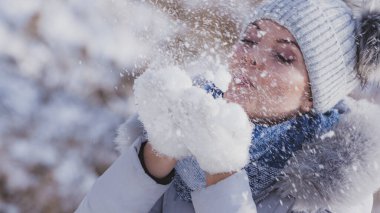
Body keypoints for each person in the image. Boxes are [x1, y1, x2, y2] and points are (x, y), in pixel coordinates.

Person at [75, 0, 380, 212]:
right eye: (249, 40)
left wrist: (221, 170)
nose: (252, 57)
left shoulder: (332, 191)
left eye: (283, 56)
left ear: (314, 96)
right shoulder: (188, 121)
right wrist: (160, 150)